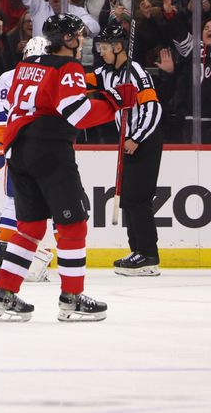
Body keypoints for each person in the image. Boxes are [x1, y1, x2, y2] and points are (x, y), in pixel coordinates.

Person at [0, 13, 138, 323]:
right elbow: (77, 114)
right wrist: (114, 100)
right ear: (67, 40)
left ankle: (3, 294)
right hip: (50, 151)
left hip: (20, 151)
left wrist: (102, 94)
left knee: (29, 228)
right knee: (73, 226)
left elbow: (52, 99)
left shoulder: (26, 66)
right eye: (78, 35)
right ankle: (71, 299)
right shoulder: (67, 67)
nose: (82, 39)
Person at [89, 22, 163, 276]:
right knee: (129, 199)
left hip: (144, 140)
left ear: (118, 46)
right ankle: (138, 251)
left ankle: (149, 255)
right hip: (129, 142)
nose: (101, 52)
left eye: (105, 47)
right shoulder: (108, 73)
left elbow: (153, 108)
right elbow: (84, 82)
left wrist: (137, 138)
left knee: (137, 199)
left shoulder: (136, 72)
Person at [0, 36, 52, 283]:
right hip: (40, 149)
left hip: (21, 148)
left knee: (17, 200)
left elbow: (1, 116)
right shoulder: (49, 75)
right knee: (29, 200)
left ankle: (7, 251)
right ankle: (12, 252)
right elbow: (2, 116)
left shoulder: (9, 77)